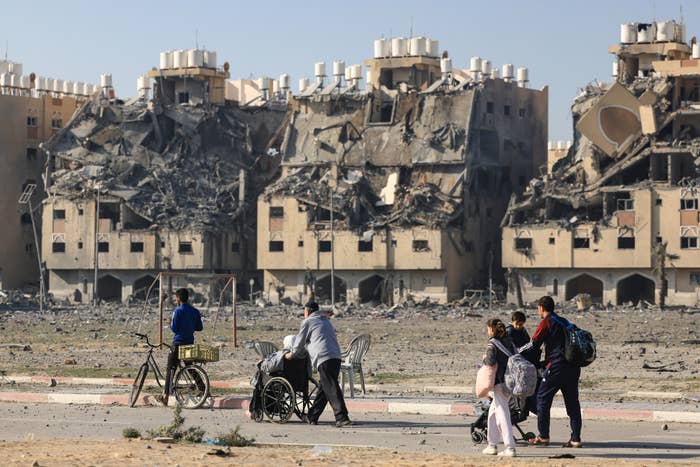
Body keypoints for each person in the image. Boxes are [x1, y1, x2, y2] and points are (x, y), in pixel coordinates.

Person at [519, 296, 583, 447]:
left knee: (542, 399)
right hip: (573, 368)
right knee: (573, 404)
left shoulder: (546, 322)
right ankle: (576, 439)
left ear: (541, 308)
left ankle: (543, 436)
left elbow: (534, 344)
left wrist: (517, 353)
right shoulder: (564, 322)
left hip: (556, 368)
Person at [285, 301, 351, 427]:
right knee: (324, 388)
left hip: (323, 357)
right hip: (335, 356)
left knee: (331, 387)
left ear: (308, 311)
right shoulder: (326, 320)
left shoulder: (308, 322)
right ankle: (312, 416)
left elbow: (299, 344)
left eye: (304, 311)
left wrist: (291, 355)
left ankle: (341, 417)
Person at [159, 288, 203, 406]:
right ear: (187, 297)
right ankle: (203, 388)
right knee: (190, 367)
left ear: (178, 298)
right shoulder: (195, 311)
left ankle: (165, 396)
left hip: (178, 343)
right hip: (189, 343)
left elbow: (174, 328)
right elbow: (199, 328)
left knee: (170, 369)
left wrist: (170, 322)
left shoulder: (177, 311)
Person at [481, 318, 517, 457]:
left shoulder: (492, 344)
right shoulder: (509, 342)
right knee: (492, 414)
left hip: (500, 383)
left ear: (491, 329)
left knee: (503, 414)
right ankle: (492, 445)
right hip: (510, 382)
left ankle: (510, 447)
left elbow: (490, 362)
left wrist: (484, 357)